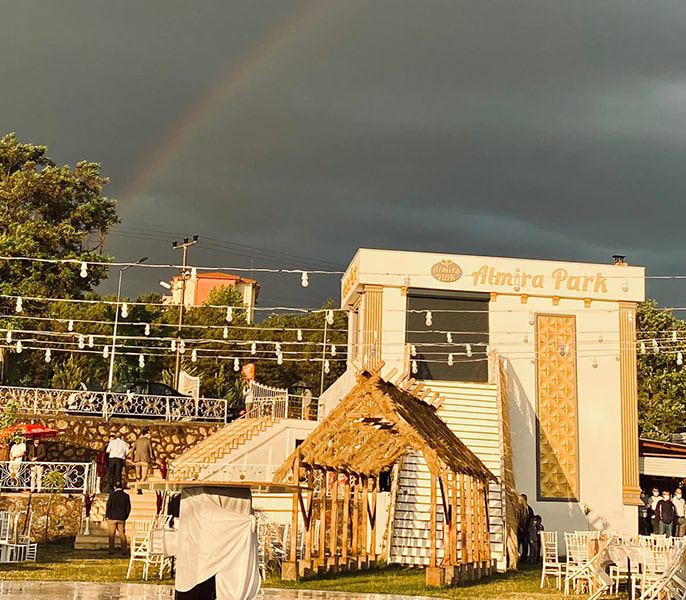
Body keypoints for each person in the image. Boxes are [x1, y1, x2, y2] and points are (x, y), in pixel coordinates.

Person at [105, 485, 131, 555]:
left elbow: (108, 506)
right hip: (121, 518)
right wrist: (125, 516)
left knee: (111, 535)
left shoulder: (112, 495)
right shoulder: (126, 496)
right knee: (122, 534)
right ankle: (124, 550)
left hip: (112, 517)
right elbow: (128, 508)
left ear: (114, 487)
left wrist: (107, 515)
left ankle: (111, 550)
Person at [132, 427, 155, 494]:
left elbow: (132, 450)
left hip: (137, 459)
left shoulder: (137, 441)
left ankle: (138, 488)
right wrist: (152, 458)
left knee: (138, 476)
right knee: (144, 476)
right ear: (147, 433)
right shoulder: (148, 441)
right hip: (145, 459)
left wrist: (132, 458)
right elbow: (150, 451)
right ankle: (139, 487)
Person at [518, 494, 535, 562]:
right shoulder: (518, 508)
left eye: (525, 499)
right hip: (519, 530)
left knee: (525, 544)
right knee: (517, 544)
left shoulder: (529, 509)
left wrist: (528, 529)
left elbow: (532, 519)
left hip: (526, 529)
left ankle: (524, 558)